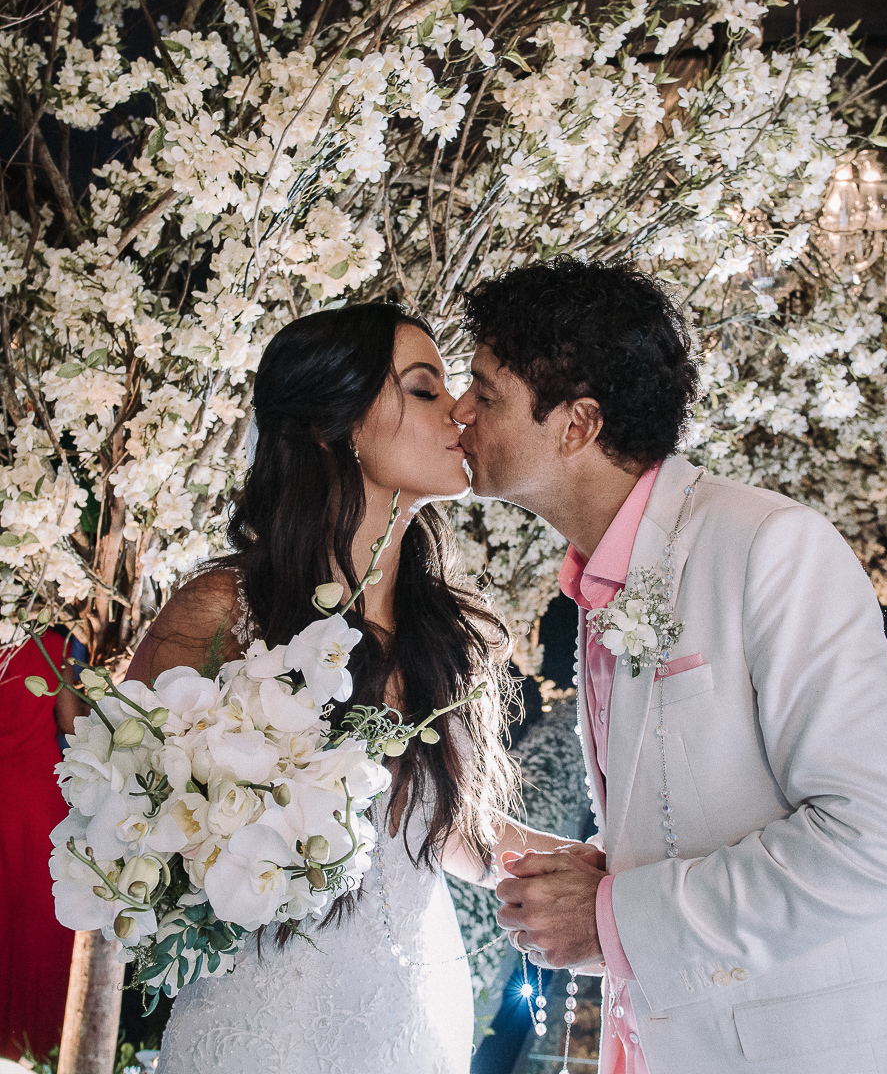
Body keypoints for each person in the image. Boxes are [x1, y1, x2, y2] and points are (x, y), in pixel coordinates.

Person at [452, 257, 887, 1074]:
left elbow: (882, 841)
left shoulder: (766, 546)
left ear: (576, 424)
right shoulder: (601, 581)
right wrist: (611, 875)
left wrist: (618, 917)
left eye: (484, 393)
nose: (459, 412)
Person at [128, 303, 589, 1074]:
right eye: (424, 388)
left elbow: (449, 832)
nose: (459, 410)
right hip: (264, 1024)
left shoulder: (449, 631)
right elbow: (132, 817)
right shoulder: (224, 611)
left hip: (416, 1016)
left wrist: (613, 877)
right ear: (332, 425)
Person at [0, 628, 81, 1063]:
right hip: (36, 797)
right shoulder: (52, 645)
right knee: (37, 917)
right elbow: (71, 723)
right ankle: (37, 1047)